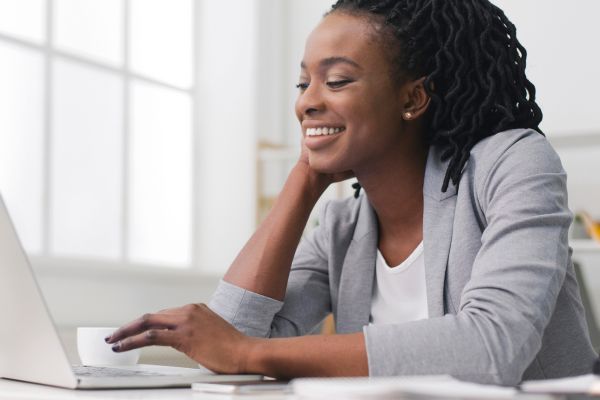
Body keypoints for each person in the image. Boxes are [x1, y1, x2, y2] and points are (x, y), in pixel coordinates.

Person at [106, 0, 597, 385]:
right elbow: (235, 337)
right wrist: (303, 181)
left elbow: (492, 347)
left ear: (412, 98)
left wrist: (245, 352)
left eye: (336, 80)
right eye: (303, 83)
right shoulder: (344, 228)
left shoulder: (510, 162)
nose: (307, 103)